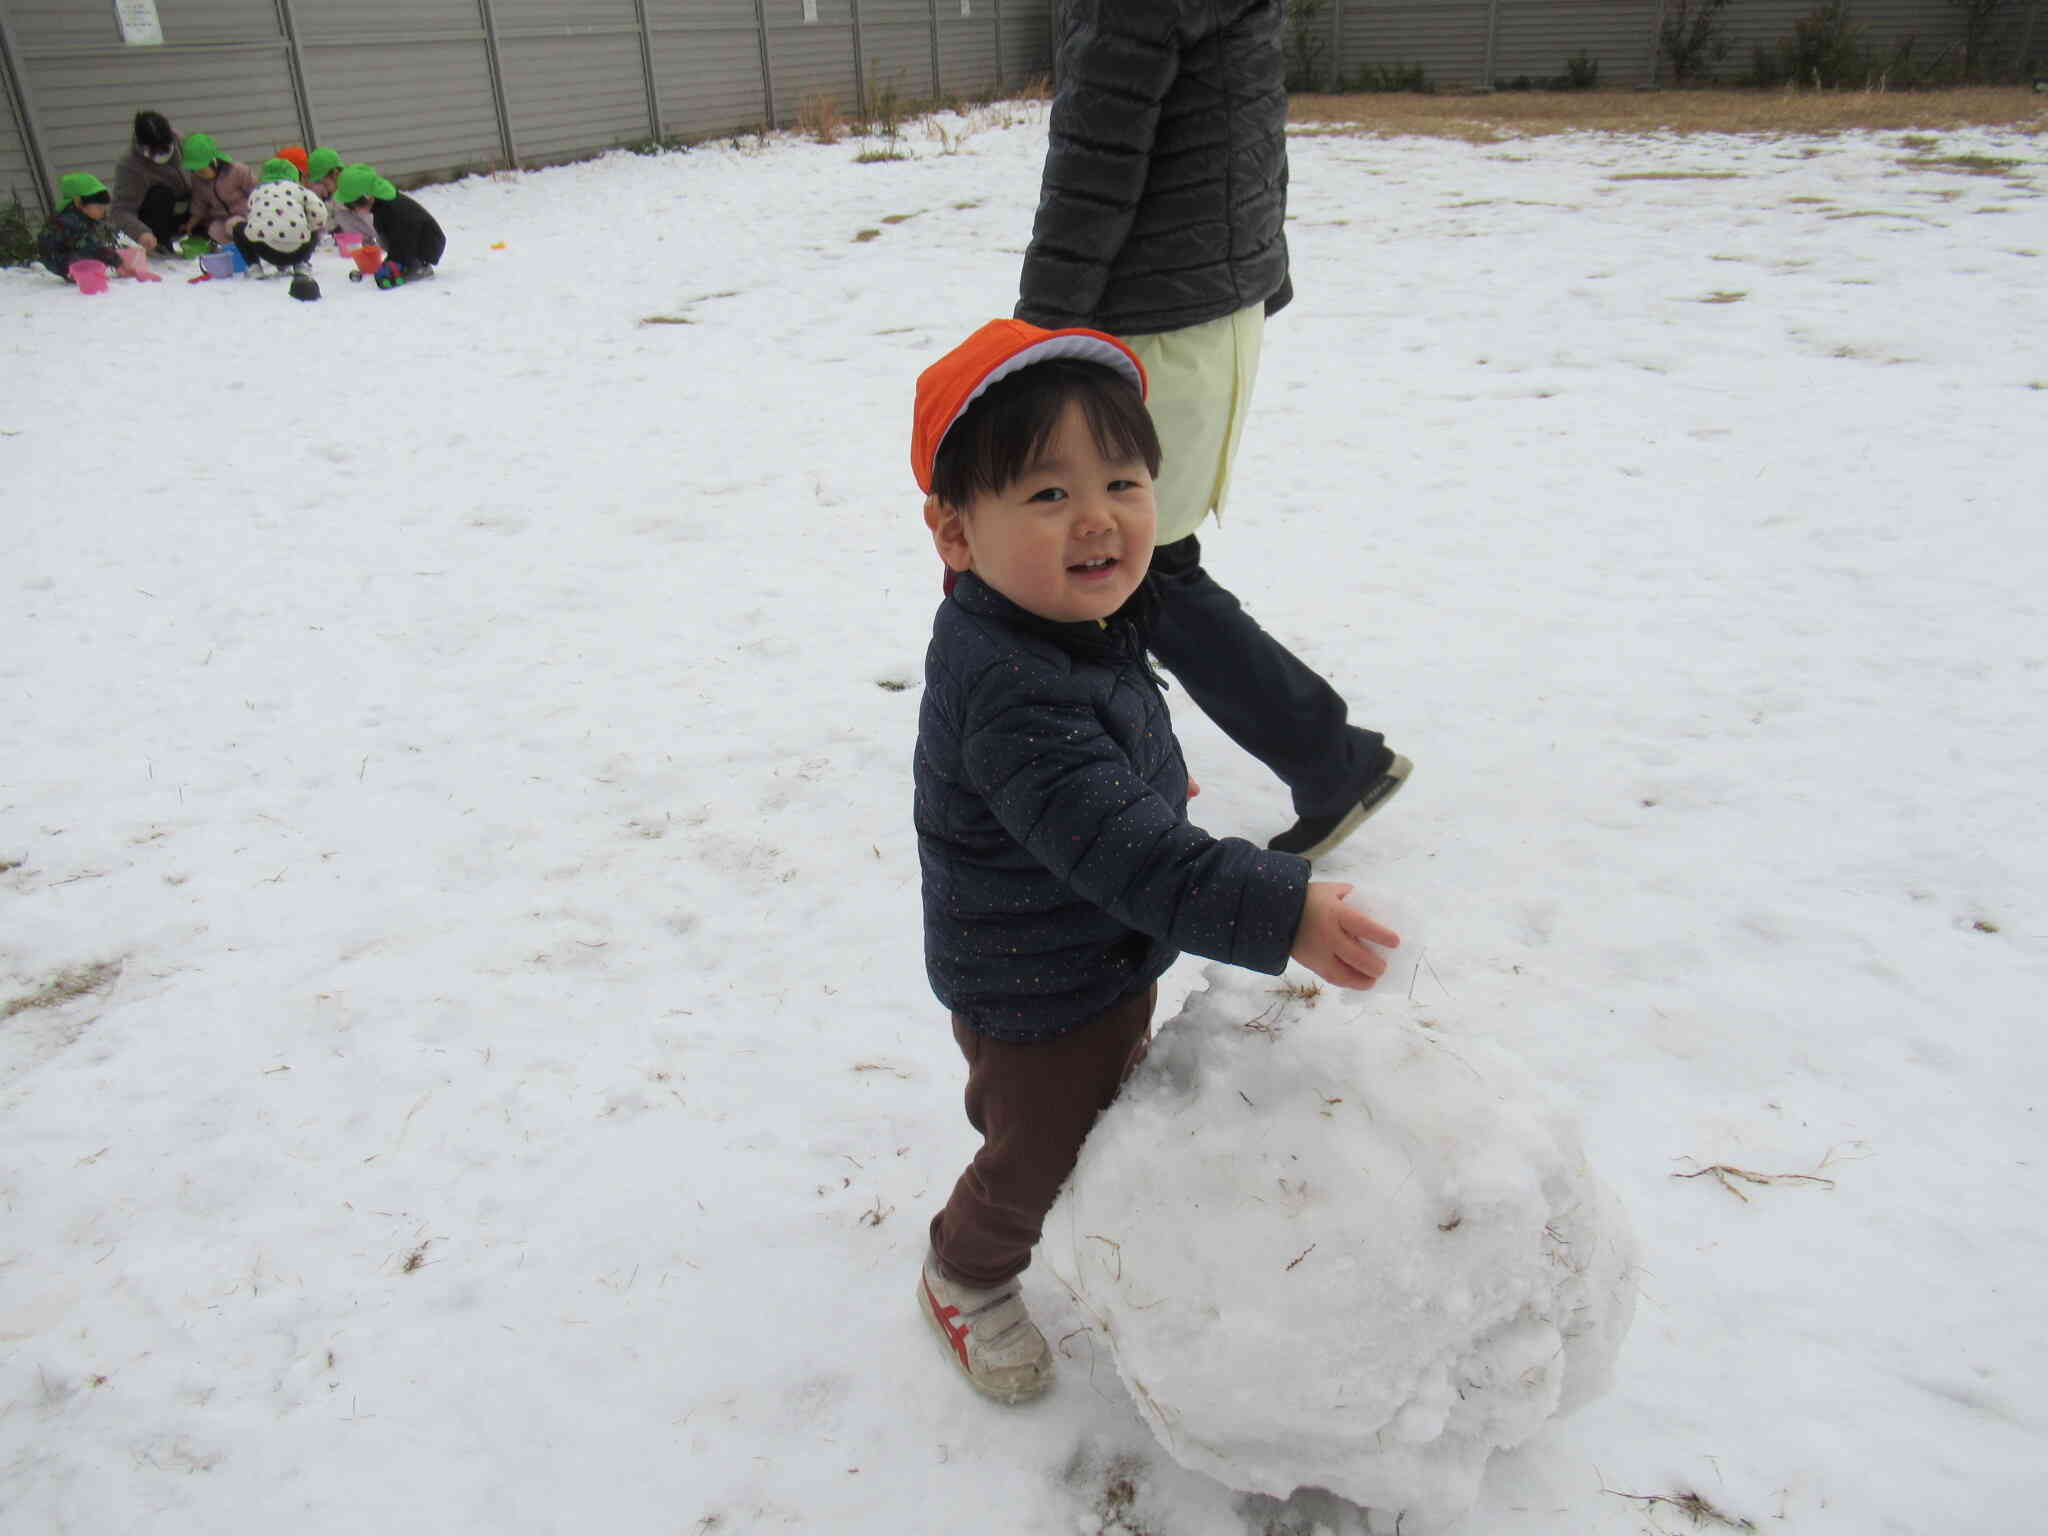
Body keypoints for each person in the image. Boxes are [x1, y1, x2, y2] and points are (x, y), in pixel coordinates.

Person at [909, 318, 1402, 1402]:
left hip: (1083, 949)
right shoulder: (1010, 689)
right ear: (955, 533)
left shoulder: (1067, 619)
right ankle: (964, 1271)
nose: (1096, 519)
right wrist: (1287, 913)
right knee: (1035, 1150)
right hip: (1032, 987)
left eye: (1123, 481)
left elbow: (1116, 755)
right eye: (1044, 495)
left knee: (1098, 1102)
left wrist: (1147, 778)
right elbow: (1138, 863)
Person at [1015, 0, 1409, 862]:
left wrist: (1038, 338)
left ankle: (1330, 761)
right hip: (1203, 309)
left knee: (1139, 567)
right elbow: (1242, 135)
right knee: (1136, 562)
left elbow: (1096, 165)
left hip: (1156, 318)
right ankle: (1129, 748)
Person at [235, 158, 329, 299]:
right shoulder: (300, 190)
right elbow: (320, 214)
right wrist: (308, 227)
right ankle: (301, 265)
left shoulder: (256, 192)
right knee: (311, 224)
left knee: (239, 227)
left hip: (266, 251)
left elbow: (252, 219)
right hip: (299, 251)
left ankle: (254, 267)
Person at [335, 163, 444, 279]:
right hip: (409, 241)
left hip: (427, 243)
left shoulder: (393, 211)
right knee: (384, 239)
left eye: (352, 205)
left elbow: (404, 239)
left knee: (390, 264)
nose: (353, 211)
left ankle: (419, 266)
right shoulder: (380, 206)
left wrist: (396, 261)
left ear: (367, 197)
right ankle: (408, 263)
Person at [108, 110, 190, 254]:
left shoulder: (183, 143)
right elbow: (120, 210)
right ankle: (161, 245)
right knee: (160, 194)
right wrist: (141, 232)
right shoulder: (129, 164)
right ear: (142, 146)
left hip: (191, 212)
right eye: (155, 151)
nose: (161, 154)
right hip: (158, 217)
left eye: (165, 148)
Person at [36, 173, 122, 282]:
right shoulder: (69, 220)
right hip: (56, 258)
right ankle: (76, 274)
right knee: (91, 257)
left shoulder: (84, 216)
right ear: (79, 202)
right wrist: (117, 261)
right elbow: (91, 246)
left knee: (95, 257)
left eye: (104, 208)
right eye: (99, 208)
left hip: (70, 252)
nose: (103, 212)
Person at [180, 132, 256, 245]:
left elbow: (256, 192)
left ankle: (251, 245)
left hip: (247, 216)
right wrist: (190, 224)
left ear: (214, 162)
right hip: (222, 220)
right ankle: (234, 248)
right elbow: (199, 204)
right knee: (213, 229)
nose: (198, 173)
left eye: (201, 170)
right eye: (193, 170)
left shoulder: (237, 171)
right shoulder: (197, 179)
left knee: (233, 225)